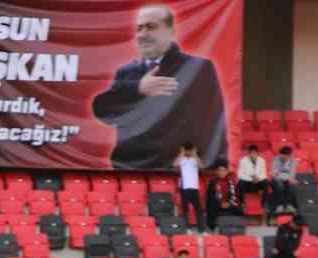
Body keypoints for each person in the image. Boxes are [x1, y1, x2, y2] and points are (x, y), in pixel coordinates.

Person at [91, 4, 227, 170]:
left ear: (171, 31)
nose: (143, 34)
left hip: (175, 166)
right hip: (130, 167)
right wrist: (138, 88)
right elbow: (103, 111)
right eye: (139, 28)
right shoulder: (126, 72)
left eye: (151, 27)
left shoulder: (198, 68)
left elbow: (212, 120)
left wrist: (213, 161)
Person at [205, 162, 243, 231]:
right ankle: (211, 228)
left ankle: (236, 228)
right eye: (219, 170)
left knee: (239, 209)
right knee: (211, 208)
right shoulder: (213, 182)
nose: (221, 172)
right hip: (217, 204)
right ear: (217, 172)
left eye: (223, 170)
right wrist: (220, 203)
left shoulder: (231, 181)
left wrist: (229, 203)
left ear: (227, 171)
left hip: (229, 203)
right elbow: (210, 196)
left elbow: (234, 195)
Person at [174, 142, 203, 229]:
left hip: (195, 188)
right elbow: (175, 164)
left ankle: (201, 229)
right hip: (185, 188)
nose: (189, 152)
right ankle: (187, 228)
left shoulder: (195, 159)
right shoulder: (182, 159)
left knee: (199, 210)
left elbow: (201, 166)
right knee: (185, 209)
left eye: (190, 150)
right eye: (188, 151)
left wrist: (195, 154)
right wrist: (182, 152)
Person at [268, 146, 299, 214]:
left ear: (289, 156)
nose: (283, 158)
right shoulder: (276, 159)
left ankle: (288, 205)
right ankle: (280, 205)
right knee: (279, 184)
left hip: (287, 180)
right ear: (280, 154)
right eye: (282, 156)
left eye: (286, 157)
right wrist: (287, 177)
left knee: (290, 185)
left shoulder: (294, 161)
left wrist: (285, 177)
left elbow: (292, 174)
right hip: (276, 179)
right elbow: (274, 173)